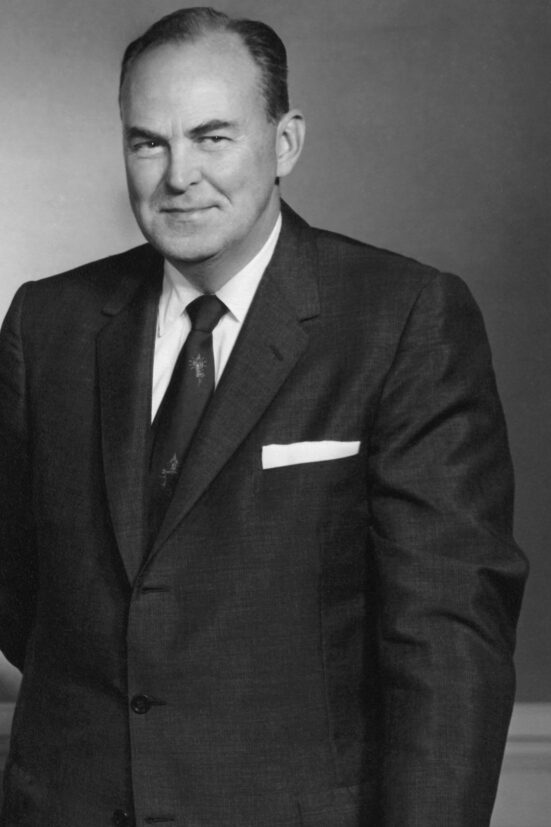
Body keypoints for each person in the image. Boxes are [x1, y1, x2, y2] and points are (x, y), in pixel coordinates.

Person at [0, 7, 527, 827]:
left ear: (284, 142)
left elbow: (448, 642)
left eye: (213, 137)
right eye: (149, 141)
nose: (179, 174)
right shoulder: (47, 323)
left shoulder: (400, 318)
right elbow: (20, 590)